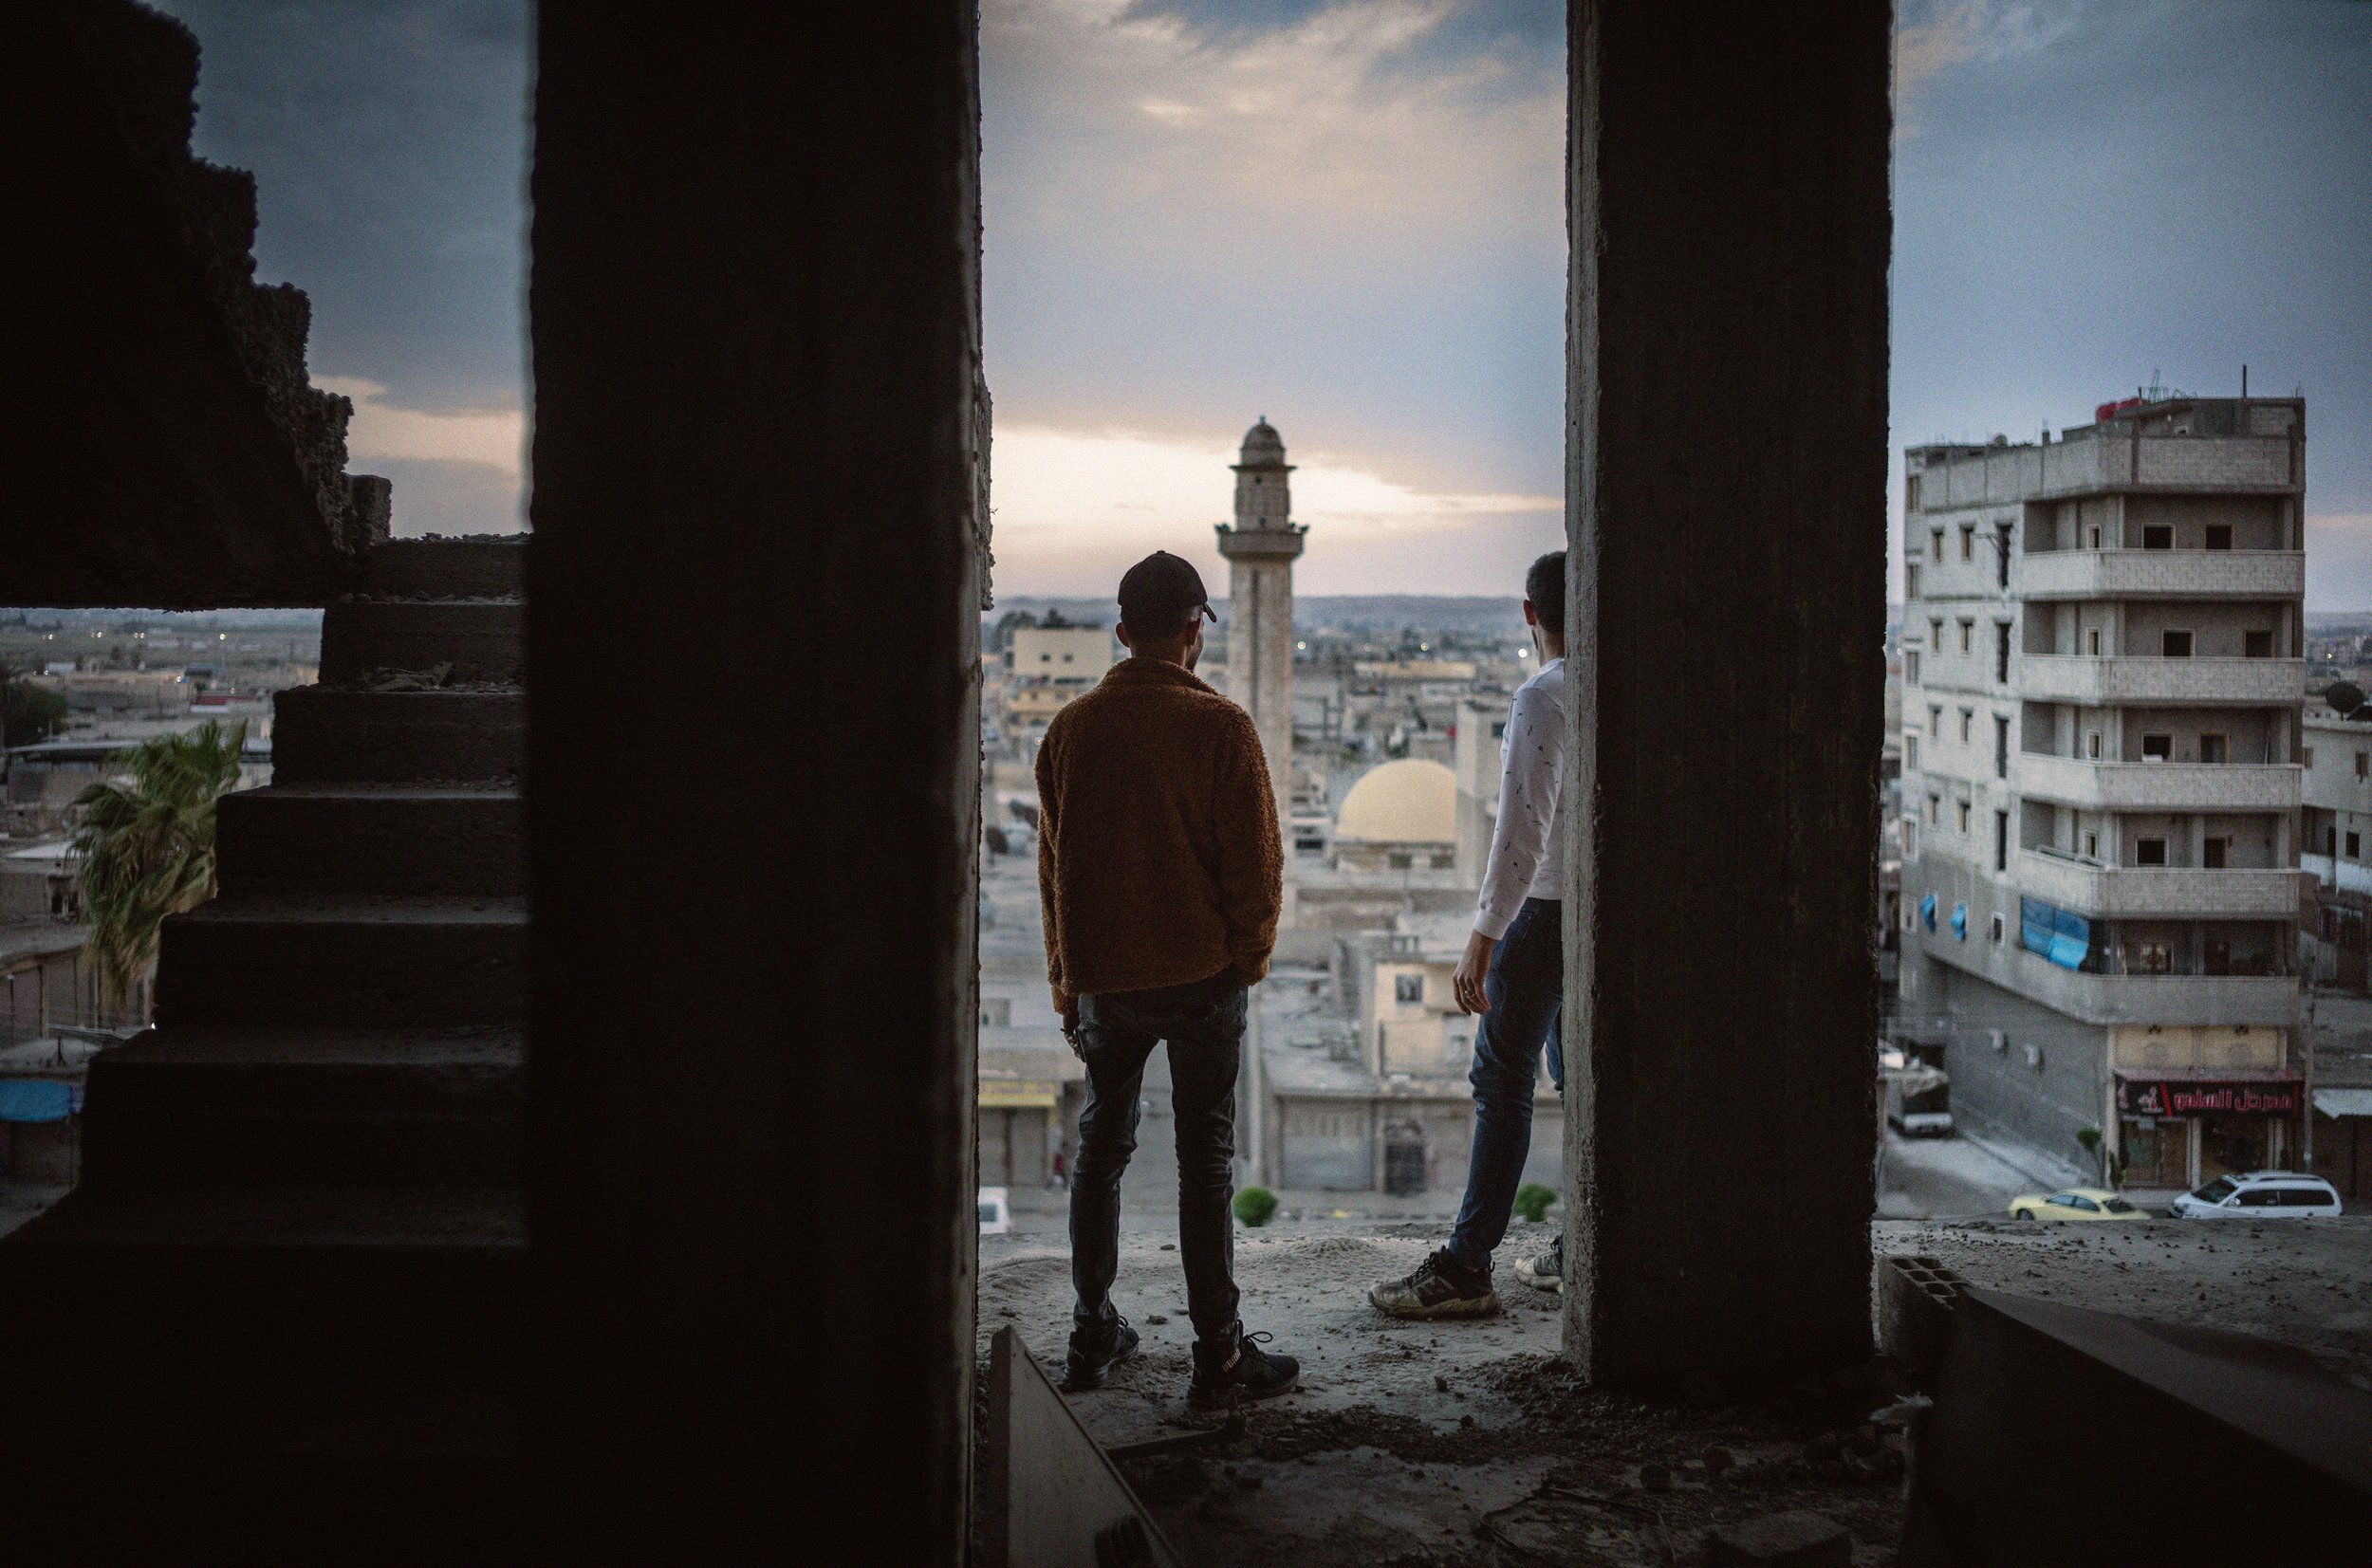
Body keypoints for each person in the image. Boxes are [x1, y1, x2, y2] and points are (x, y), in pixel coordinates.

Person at [1036, 549, 1301, 1409]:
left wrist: (1067, 985)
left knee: (1100, 1155)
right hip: (1201, 979)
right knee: (1206, 1162)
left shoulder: (1070, 730)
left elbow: (1052, 874)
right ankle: (1217, 1358)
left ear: (1121, 634)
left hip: (1107, 980)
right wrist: (1247, 963)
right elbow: (1257, 872)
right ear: (1195, 632)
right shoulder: (1221, 727)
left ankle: (1089, 1331)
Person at [1371, 550, 1569, 1319]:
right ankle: (1582, 1243)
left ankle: (1465, 1266)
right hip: (1595, 914)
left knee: (1502, 1079)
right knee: (1572, 1072)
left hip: (1545, 910)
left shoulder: (1542, 695)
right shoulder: (1620, 682)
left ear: (1530, 613)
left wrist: (1484, 935)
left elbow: (1522, 828)